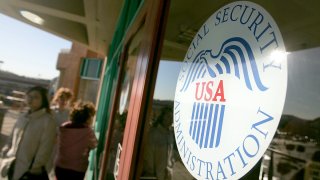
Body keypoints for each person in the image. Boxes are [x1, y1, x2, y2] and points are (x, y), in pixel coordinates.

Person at [0, 86, 57, 180]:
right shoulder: (22, 117)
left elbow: (45, 148)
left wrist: (34, 167)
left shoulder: (48, 121)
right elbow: (12, 137)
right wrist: (6, 150)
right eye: (29, 96)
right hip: (12, 165)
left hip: (29, 172)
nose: (31, 99)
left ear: (43, 100)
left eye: (36, 97)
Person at [55, 101, 98, 180]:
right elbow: (94, 144)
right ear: (88, 118)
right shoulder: (88, 131)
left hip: (60, 166)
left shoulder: (64, 127)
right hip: (77, 169)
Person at [143, 106, 175, 180]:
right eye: (168, 116)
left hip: (167, 175)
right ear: (162, 117)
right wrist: (151, 174)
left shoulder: (170, 134)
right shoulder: (154, 133)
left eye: (172, 117)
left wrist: (171, 163)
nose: (171, 119)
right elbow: (148, 155)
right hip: (156, 175)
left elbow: (171, 153)